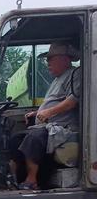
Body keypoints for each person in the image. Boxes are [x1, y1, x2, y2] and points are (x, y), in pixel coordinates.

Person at [12, 43, 80, 189]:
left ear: (65, 59)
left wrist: (48, 112)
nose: (47, 62)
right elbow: (54, 101)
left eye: (51, 59)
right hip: (46, 125)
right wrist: (37, 113)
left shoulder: (75, 74)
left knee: (34, 138)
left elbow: (72, 101)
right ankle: (13, 179)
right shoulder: (57, 79)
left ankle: (31, 180)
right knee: (15, 139)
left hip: (63, 128)